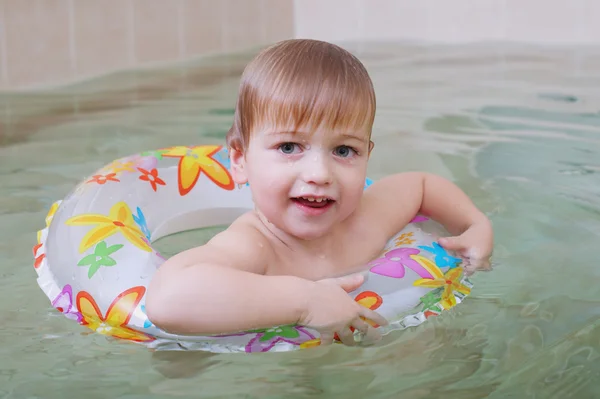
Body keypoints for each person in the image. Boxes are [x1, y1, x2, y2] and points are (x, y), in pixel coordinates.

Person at [146, 39, 493, 347]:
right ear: (239, 160)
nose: (319, 174)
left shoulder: (367, 219)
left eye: (343, 151)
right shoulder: (255, 246)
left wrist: (474, 223)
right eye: (288, 147)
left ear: (367, 157)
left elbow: (421, 185)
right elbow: (167, 299)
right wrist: (304, 302)